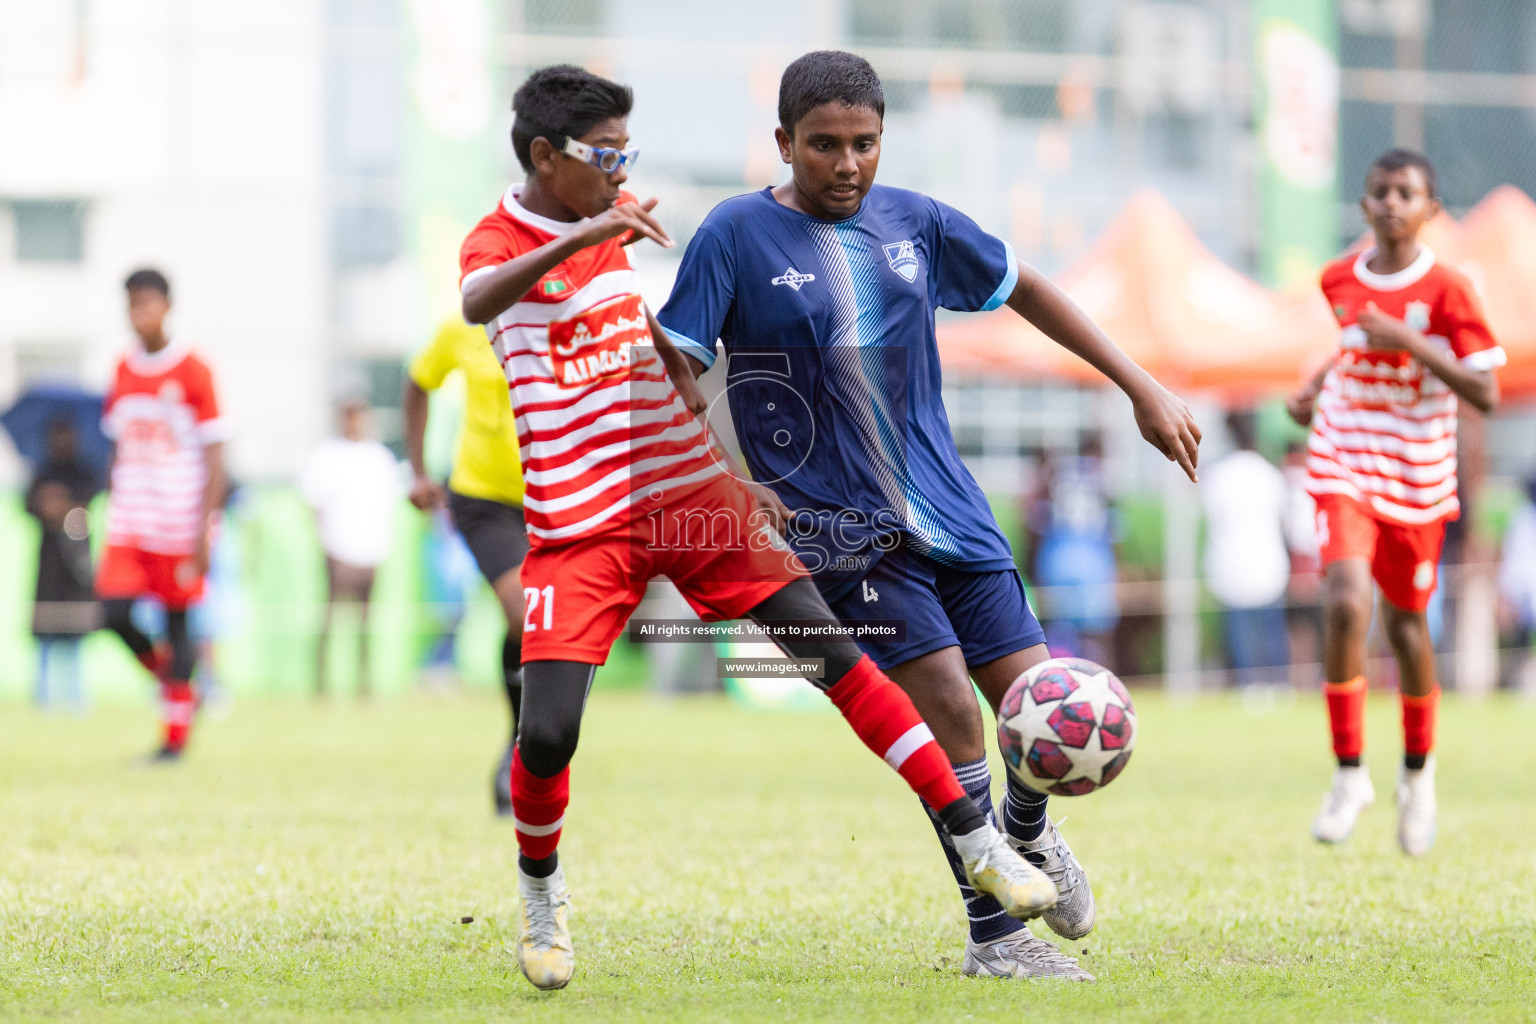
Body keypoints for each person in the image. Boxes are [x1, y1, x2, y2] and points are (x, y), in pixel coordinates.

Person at [461, 63, 1057, 992]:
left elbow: (664, 380)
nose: (622, 173)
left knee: (836, 658)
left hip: (691, 501)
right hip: (583, 527)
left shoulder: (617, 229)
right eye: (606, 156)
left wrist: (739, 480)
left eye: (629, 154)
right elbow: (478, 301)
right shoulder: (505, 240)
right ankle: (542, 898)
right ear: (546, 156)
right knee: (546, 736)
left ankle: (983, 848)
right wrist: (588, 233)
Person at [657, 51, 1201, 980]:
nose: (846, 164)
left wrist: (1139, 384)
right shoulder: (735, 233)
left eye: (863, 144)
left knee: (1036, 702)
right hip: (840, 525)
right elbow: (672, 353)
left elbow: (1026, 286)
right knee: (948, 705)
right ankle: (996, 938)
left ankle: (1028, 836)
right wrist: (726, 476)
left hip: (950, 509)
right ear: (784, 143)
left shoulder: (916, 223)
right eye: (823, 145)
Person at [1287, 148, 1504, 855]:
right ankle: (1350, 774)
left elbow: (1485, 393)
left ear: (1430, 210)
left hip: (1417, 475)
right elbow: (1351, 344)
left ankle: (1418, 777)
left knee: (1409, 632)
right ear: (1363, 206)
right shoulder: (1338, 278)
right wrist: (1314, 385)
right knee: (1346, 600)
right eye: (1378, 191)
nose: (1389, 203)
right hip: (1344, 456)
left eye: (1404, 193)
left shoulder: (1449, 289)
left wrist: (1412, 340)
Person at [97, 268, 228, 760]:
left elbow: (216, 454)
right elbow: (116, 440)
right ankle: (177, 686)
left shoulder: (194, 369)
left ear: (167, 307)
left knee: (178, 623)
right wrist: (111, 496)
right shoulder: (123, 369)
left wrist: (204, 528)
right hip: (131, 518)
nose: (140, 315)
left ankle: (173, 742)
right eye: (132, 306)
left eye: (148, 304)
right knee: (109, 612)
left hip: (179, 522)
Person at [404, 318, 529, 813]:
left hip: (562, 498)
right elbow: (418, 382)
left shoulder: (568, 319)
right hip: (485, 500)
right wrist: (417, 471)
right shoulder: (464, 327)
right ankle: (518, 750)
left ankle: (536, 744)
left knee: (555, 625)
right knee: (524, 611)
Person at [301, 399, 402, 699]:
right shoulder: (326, 455)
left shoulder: (379, 457)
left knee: (366, 624)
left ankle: (364, 685)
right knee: (328, 620)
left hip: (371, 550)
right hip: (337, 548)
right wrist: (324, 540)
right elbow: (313, 501)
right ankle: (321, 685)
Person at [1200, 411, 1290, 688]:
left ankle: (1249, 686)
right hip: (1269, 565)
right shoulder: (1270, 473)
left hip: (1231, 565)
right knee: (1270, 632)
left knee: (1242, 638)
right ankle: (1277, 685)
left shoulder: (1218, 475)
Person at [25, 420, 100, 711]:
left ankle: (76, 697)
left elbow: (83, 506)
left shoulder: (84, 471)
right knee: (45, 628)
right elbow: (32, 505)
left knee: (75, 631)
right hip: (48, 564)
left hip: (76, 565)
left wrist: (60, 503)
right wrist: (51, 504)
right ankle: (43, 697)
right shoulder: (42, 472)